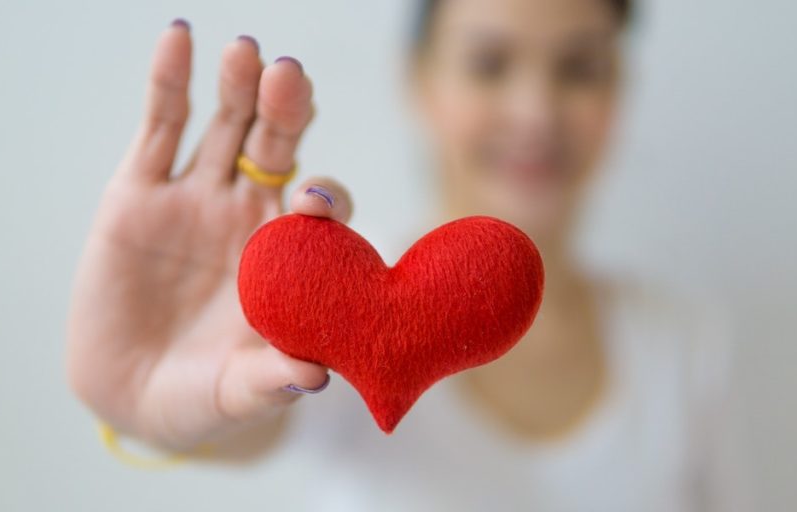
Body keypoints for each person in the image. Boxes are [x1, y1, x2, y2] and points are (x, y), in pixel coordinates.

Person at [66, 0, 748, 509]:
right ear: (419, 81)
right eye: (489, 63)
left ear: (619, 88)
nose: (537, 111)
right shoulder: (326, 318)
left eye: (579, 68)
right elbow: (243, 426)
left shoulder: (687, 344)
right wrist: (149, 402)